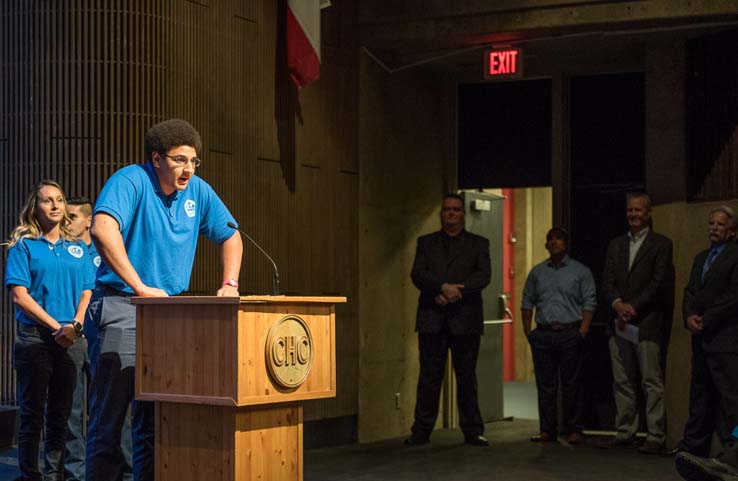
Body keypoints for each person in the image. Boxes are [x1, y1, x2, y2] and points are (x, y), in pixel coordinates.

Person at [85, 119, 243, 481]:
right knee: (111, 422)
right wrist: (140, 286)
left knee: (157, 421)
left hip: (170, 315)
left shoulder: (198, 191)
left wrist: (229, 282)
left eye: (194, 161)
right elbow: (102, 229)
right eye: (180, 160)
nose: (188, 169)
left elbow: (231, 236)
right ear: (156, 159)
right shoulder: (130, 181)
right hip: (122, 305)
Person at [4, 180, 94, 480]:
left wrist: (75, 326)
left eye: (59, 199)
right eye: (47, 200)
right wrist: (59, 327)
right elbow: (20, 296)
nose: (55, 205)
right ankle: (30, 474)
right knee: (32, 414)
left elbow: (86, 292)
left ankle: (56, 475)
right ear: (35, 207)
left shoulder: (77, 248)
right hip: (35, 339)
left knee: (64, 414)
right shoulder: (24, 246)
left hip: (72, 339)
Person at [405, 193, 491, 447]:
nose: (451, 214)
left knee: (466, 378)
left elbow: (483, 276)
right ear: (441, 214)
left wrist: (456, 291)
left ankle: (473, 431)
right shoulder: (426, 243)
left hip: (466, 319)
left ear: (463, 214)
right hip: (433, 318)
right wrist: (441, 288)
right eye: (446, 210)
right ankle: (421, 431)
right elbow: (418, 274)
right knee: (429, 378)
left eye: (455, 210)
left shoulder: (479, 244)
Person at [64, 196, 134, 480]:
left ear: (90, 221)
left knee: (112, 408)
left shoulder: (106, 255)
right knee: (73, 408)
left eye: (72, 217)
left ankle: (127, 470)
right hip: (67, 334)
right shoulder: (62, 252)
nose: (65, 222)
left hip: (100, 330)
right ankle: (74, 472)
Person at [598, 193, 674, 454]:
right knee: (622, 381)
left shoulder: (661, 244)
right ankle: (625, 432)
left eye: (638, 211)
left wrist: (634, 307)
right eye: (630, 210)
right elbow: (607, 280)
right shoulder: (615, 244)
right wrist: (617, 304)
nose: (633, 215)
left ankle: (655, 435)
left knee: (651, 381)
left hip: (647, 324)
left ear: (649, 213)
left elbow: (659, 282)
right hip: (618, 323)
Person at [672, 206, 738, 463]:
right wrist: (688, 317)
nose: (713, 228)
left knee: (730, 398)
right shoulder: (701, 258)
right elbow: (690, 291)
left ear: (732, 231)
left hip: (725, 339)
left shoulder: (735, 256)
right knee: (700, 395)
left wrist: (707, 319)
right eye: (711, 223)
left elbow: (734, 296)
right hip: (700, 339)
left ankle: (734, 450)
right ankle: (693, 447)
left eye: (720, 225)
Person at [521, 227, 596, 445]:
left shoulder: (581, 272)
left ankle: (574, 429)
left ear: (566, 244)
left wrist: (583, 329)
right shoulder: (537, 273)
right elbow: (527, 302)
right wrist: (528, 332)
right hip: (543, 334)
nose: (554, 243)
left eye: (559, 239)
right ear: (546, 245)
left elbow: (589, 301)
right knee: (545, 385)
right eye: (550, 240)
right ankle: (547, 430)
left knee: (571, 384)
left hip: (570, 333)